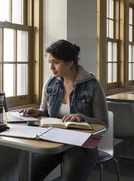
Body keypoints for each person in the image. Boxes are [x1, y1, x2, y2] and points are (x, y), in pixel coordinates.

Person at [20, 39, 108, 181]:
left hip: (82, 145)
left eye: (55, 62)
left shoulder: (92, 85)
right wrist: (38, 112)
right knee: (28, 175)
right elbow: (46, 112)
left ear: (70, 62)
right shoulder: (50, 83)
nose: (51, 67)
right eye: (49, 62)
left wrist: (81, 117)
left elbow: (103, 124)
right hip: (54, 140)